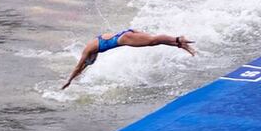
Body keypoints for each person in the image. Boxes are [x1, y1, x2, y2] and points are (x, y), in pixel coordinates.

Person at [61, 29, 195, 89]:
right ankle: (179, 44)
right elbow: (83, 68)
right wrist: (77, 78)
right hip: (126, 33)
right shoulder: (92, 47)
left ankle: (178, 39)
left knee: (152, 40)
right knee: (153, 42)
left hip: (123, 38)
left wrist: (69, 81)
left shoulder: (87, 51)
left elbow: (79, 66)